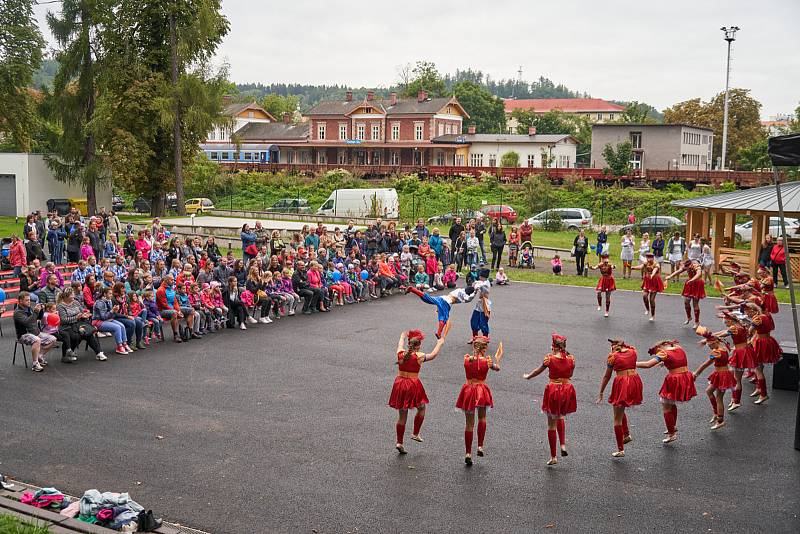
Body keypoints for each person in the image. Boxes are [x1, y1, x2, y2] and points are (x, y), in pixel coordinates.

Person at [389, 328, 448, 454]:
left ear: (408, 343)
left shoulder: (401, 353)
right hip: (412, 384)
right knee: (421, 407)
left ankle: (399, 442)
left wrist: (402, 336)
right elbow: (433, 355)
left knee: (402, 415)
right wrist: (439, 343)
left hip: (399, 383)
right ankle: (415, 433)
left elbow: (400, 344)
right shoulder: (419, 356)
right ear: (419, 345)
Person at [523, 333, 576, 466]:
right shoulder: (571, 359)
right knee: (561, 417)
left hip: (554, 390)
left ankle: (553, 456)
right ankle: (563, 444)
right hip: (567, 389)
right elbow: (570, 374)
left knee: (551, 423)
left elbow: (538, 371)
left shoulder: (550, 359)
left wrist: (528, 376)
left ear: (554, 347)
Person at [636, 340, 697, 444]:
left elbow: (648, 364)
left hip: (675, 379)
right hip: (686, 376)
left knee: (666, 406)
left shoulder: (663, 353)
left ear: (660, 347)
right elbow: (676, 360)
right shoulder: (678, 348)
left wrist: (632, 363)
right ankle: (672, 426)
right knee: (671, 402)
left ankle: (671, 433)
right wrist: (664, 363)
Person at [456, 336, 503, 465]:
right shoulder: (487, 361)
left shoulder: (466, 359)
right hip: (481, 391)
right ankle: (480, 446)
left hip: (468, 391)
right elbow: (497, 368)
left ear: (473, 347)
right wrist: (497, 361)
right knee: (482, 418)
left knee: (469, 424)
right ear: (485, 348)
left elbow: (471, 362)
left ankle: (468, 453)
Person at [596, 339, 643, 458]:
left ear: (613, 347)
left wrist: (601, 391)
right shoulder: (633, 351)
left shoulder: (613, 357)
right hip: (634, 381)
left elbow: (607, 376)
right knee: (620, 407)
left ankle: (620, 449)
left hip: (622, 383)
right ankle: (626, 434)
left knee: (617, 415)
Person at [692, 327, 737, 430]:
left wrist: (696, 374)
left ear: (714, 342)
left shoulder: (716, 352)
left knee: (719, 398)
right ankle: (716, 413)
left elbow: (705, 364)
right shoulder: (724, 347)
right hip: (723, 374)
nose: (710, 347)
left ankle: (720, 420)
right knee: (709, 391)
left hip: (721, 375)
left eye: (710, 345)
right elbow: (718, 336)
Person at [714, 312, 755, 412]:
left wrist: (711, 336)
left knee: (737, 379)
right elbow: (725, 331)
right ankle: (734, 399)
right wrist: (713, 335)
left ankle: (737, 401)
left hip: (740, 353)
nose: (726, 324)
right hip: (743, 351)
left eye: (726, 322)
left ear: (730, 320)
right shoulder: (739, 325)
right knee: (736, 377)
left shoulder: (734, 328)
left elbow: (725, 333)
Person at [405, 285, 475, 338]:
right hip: (447, 302)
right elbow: (469, 299)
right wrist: (475, 292)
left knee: (428, 299)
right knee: (444, 317)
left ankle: (413, 289)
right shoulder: (465, 296)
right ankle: (439, 333)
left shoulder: (460, 289)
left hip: (442, 297)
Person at [56, 288, 106, 362]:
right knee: (76, 336)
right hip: (67, 326)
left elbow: (82, 311)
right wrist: (76, 317)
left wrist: (85, 315)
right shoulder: (60, 306)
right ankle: (68, 353)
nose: (74, 296)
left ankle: (98, 352)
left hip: (79, 323)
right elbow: (64, 320)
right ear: (66, 296)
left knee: (88, 333)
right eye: (72, 294)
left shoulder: (76, 302)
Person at [746, 302, 782, 404]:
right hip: (768, 341)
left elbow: (750, 331)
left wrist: (748, 325)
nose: (747, 314)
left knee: (757, 369)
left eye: (748, 312)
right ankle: (759, 388)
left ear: (753, 310)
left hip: (761, 343)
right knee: (760, 367)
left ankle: (763, 394)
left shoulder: (757, 318)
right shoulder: (765, 316)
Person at [13, 291, 57, 372]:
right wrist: (36, 311)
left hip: (35, 332)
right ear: (20, 301)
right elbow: (28, 322)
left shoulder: (28, 308)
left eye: (29, 300)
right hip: (24, 334)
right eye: (27, 300)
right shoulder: (17, 312)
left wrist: (41, 311)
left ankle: (40, 356)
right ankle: (35, 364)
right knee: (37, 340)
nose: (29, 301)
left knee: (53, 339)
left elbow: (37, 318)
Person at [93, 286, 133, 355]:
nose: (111, 295)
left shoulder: (109, 301)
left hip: (107, 320)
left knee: (122, 326)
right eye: (110, 294)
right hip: (98, 322)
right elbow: (103, 317)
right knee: (117, 327)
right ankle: (119, 347)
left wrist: (114, 311)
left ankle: (124, 344)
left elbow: (111, 315)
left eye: (111, 293)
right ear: (104, 294)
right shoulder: (100, 303)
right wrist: (112, 311)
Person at [665, 260, 705, 328]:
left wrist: (692, 280)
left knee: (695, 303)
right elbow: (678, 271)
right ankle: (689, 317)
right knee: (686, 301)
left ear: (691, 264)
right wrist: (670, 276)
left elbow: (698, 274)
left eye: (687, 267)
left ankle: (697, 321)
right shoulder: (686, 266)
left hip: (697, 283)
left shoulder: (696, 266)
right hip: (689, 283)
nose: (686, 268)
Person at [632, 252, 663, 321]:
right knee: (644, 296)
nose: (649, 259)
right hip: (647, 281)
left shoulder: (656, 264)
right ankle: (647, 309)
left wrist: (652, 274)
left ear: (653, 258)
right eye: (648, 257)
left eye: (650, 257)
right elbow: (640, 267)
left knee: (651, 300)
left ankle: (652, 315)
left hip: (654, 281)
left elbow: (655, 269)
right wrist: (633, 267)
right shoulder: (646, 263)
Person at [589, 253, 615, 317]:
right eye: (603, 259)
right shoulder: (600, 265)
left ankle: (606, 311)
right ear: (602, 259)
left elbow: (613, 266)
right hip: (603, 279)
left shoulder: (609, 265)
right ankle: (600, 305)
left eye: (606, 258)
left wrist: (613, 266)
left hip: (609, 280)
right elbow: (594, 268)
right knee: (598, 292)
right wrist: (591, 267)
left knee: (607, 296)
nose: (605, 260)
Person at [469, 269, 492, 343]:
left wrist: (475, 283)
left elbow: (478, 285)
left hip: (485, 306)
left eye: (480, 276)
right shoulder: (482, 282)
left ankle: (485, 338)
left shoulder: (486, 283)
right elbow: (476, 284)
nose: (479, 277)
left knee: (483, 323)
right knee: (473, 321)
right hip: (479, 305)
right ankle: (474, 337)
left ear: (483, 276)